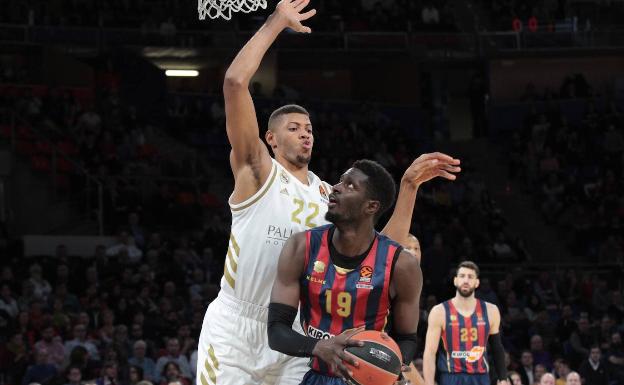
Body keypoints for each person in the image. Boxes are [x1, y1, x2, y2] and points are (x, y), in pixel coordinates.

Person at [195, 0, 461, 384]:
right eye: (293, 127)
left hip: (295, 333)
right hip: (236, 326)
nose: (305, 132)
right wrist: (275, 22)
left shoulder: (328, 194)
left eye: (309, 127)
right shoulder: (257, 173)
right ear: (270, 138)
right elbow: (235, 82)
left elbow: (384, 253)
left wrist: (408, 187)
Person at [268, 160, 423, 384]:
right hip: (318, 377)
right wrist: (318, 347)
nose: (336, 187)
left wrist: (394, 366)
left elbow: (407, 338)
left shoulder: (402, 265)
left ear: (371, 206)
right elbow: (276, 330)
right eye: (340, 180)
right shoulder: (301, 247)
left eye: (350, 185)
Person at [423, 261, 509, 385]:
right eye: (462, 276)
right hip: (451, 376)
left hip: (481, 376)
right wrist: (429, 383)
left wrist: (503, 378)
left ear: (477, 282)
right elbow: (430, 353)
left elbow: (496, 347)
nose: (466, 280)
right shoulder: (439, 311)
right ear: (455, 280)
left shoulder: (491, 311)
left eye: (470, 277)